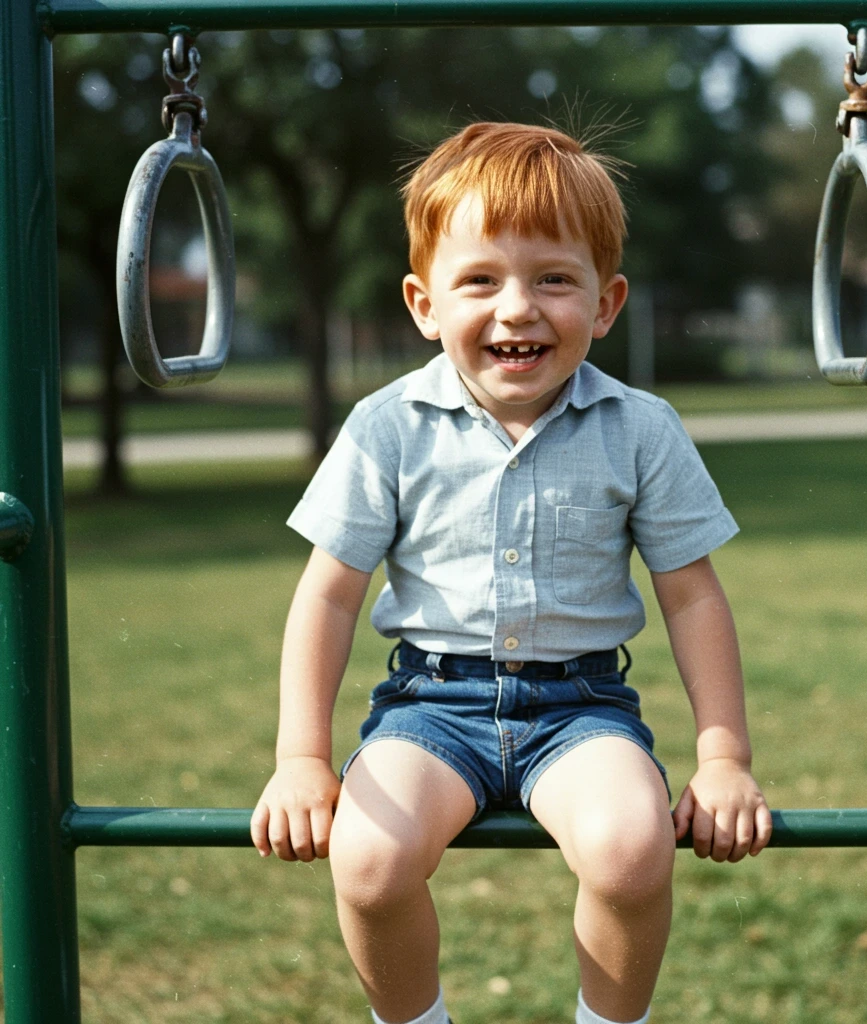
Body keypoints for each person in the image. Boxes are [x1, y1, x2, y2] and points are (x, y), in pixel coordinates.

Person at [250, 120, 773, 1024]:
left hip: (580, 709)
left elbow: (692, 596)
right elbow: (329, 595)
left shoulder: (641, 429)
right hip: (429, 706)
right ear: (424, 303)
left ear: (606, 305)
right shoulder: (387, 426)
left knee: (631, 847)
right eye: (481, 280)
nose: (518, 308)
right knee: (369, 860)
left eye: (554, 279)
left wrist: (723, 758)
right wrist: (301, 757)